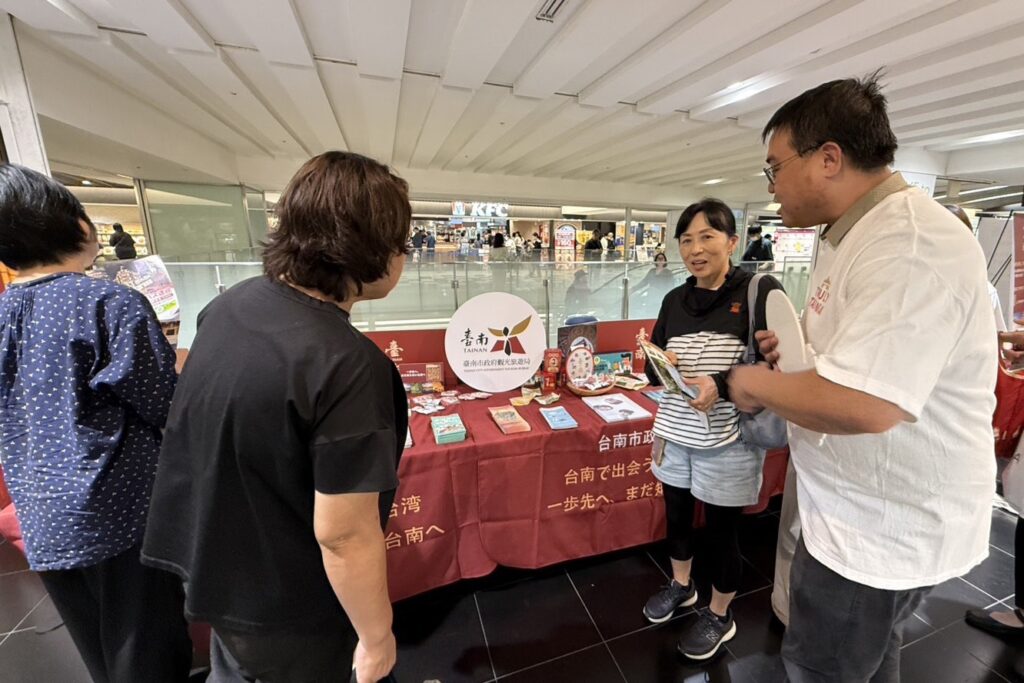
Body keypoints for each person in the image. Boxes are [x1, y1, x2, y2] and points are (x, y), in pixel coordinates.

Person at [727, 73, 997, 682]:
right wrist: (799, 353)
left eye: (774, 167)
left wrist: (750, 385)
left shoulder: (908, 243)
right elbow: (863, 355)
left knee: (822, 666)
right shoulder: (849, 234)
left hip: (877, 529)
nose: (771, 187)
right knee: (869, 662)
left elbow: (868, 403)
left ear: (828, 159)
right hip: (853, 508)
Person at [141, 152, 410, 683]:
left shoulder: (232, 305)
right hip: (288, 601)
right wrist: (377, 638)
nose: (405, 257)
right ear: (370, 246)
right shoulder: (348, 364)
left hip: (216, 568)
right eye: (402, 243)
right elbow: (344, 535)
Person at [0, 164, 190, 681]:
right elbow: (163, 406)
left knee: (97, 651)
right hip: (119, 509)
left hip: (40, 511)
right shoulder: (109, 303)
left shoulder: (4, 311)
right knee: (147, 649)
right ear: (81, 228)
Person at [641, 198, 783, 661]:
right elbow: (652, 371)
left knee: (722, 533)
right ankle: (682, 587)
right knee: (677, 517)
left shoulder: (757, 292)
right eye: (686, 240)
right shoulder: (672, 299)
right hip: (675, 430)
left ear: (732, 241)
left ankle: (721, 614)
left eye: (707, 237)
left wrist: (720, 385)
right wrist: (661, 361)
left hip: (730, 440)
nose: (695, 249)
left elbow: (775, 365)